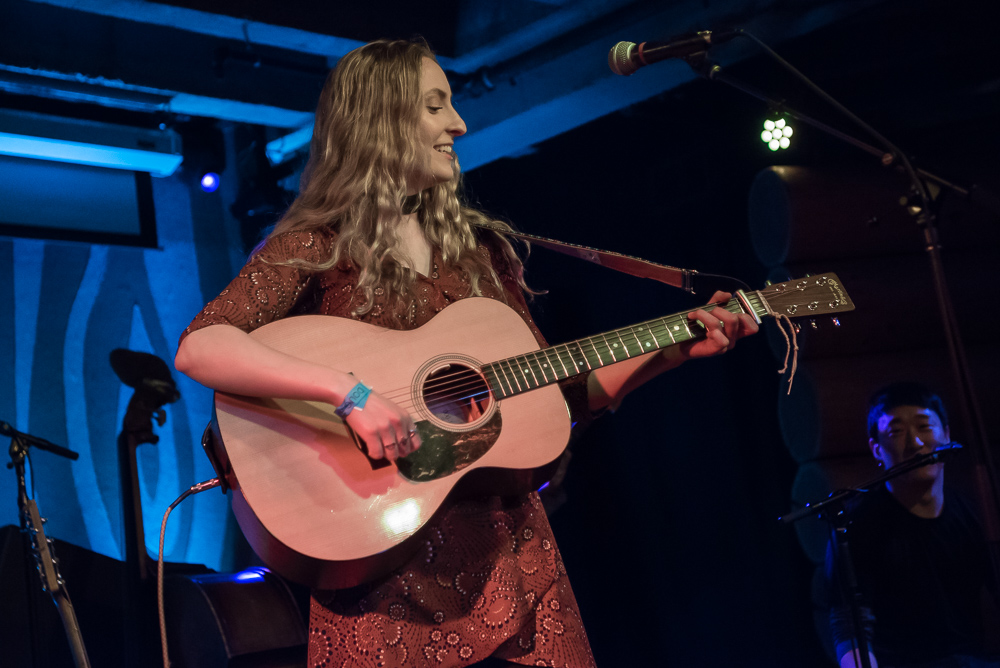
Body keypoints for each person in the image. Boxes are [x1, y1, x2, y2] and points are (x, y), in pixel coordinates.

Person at [174, 38, 757, 668]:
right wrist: (350, 393)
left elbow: (560, 398)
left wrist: (673, 350)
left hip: (516, 572)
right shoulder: (314, 246)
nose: (460, 123)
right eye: (435, 106)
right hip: (382, 585)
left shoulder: (481, 255)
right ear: (382, 119)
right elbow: (203, 347)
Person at [826, 382, 999, 668]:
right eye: (896, 432)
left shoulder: (974, 513)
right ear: (876, 448)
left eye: (925, 427)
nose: (915, 444)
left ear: (947, 435)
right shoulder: (856, 525)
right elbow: (849, 625)